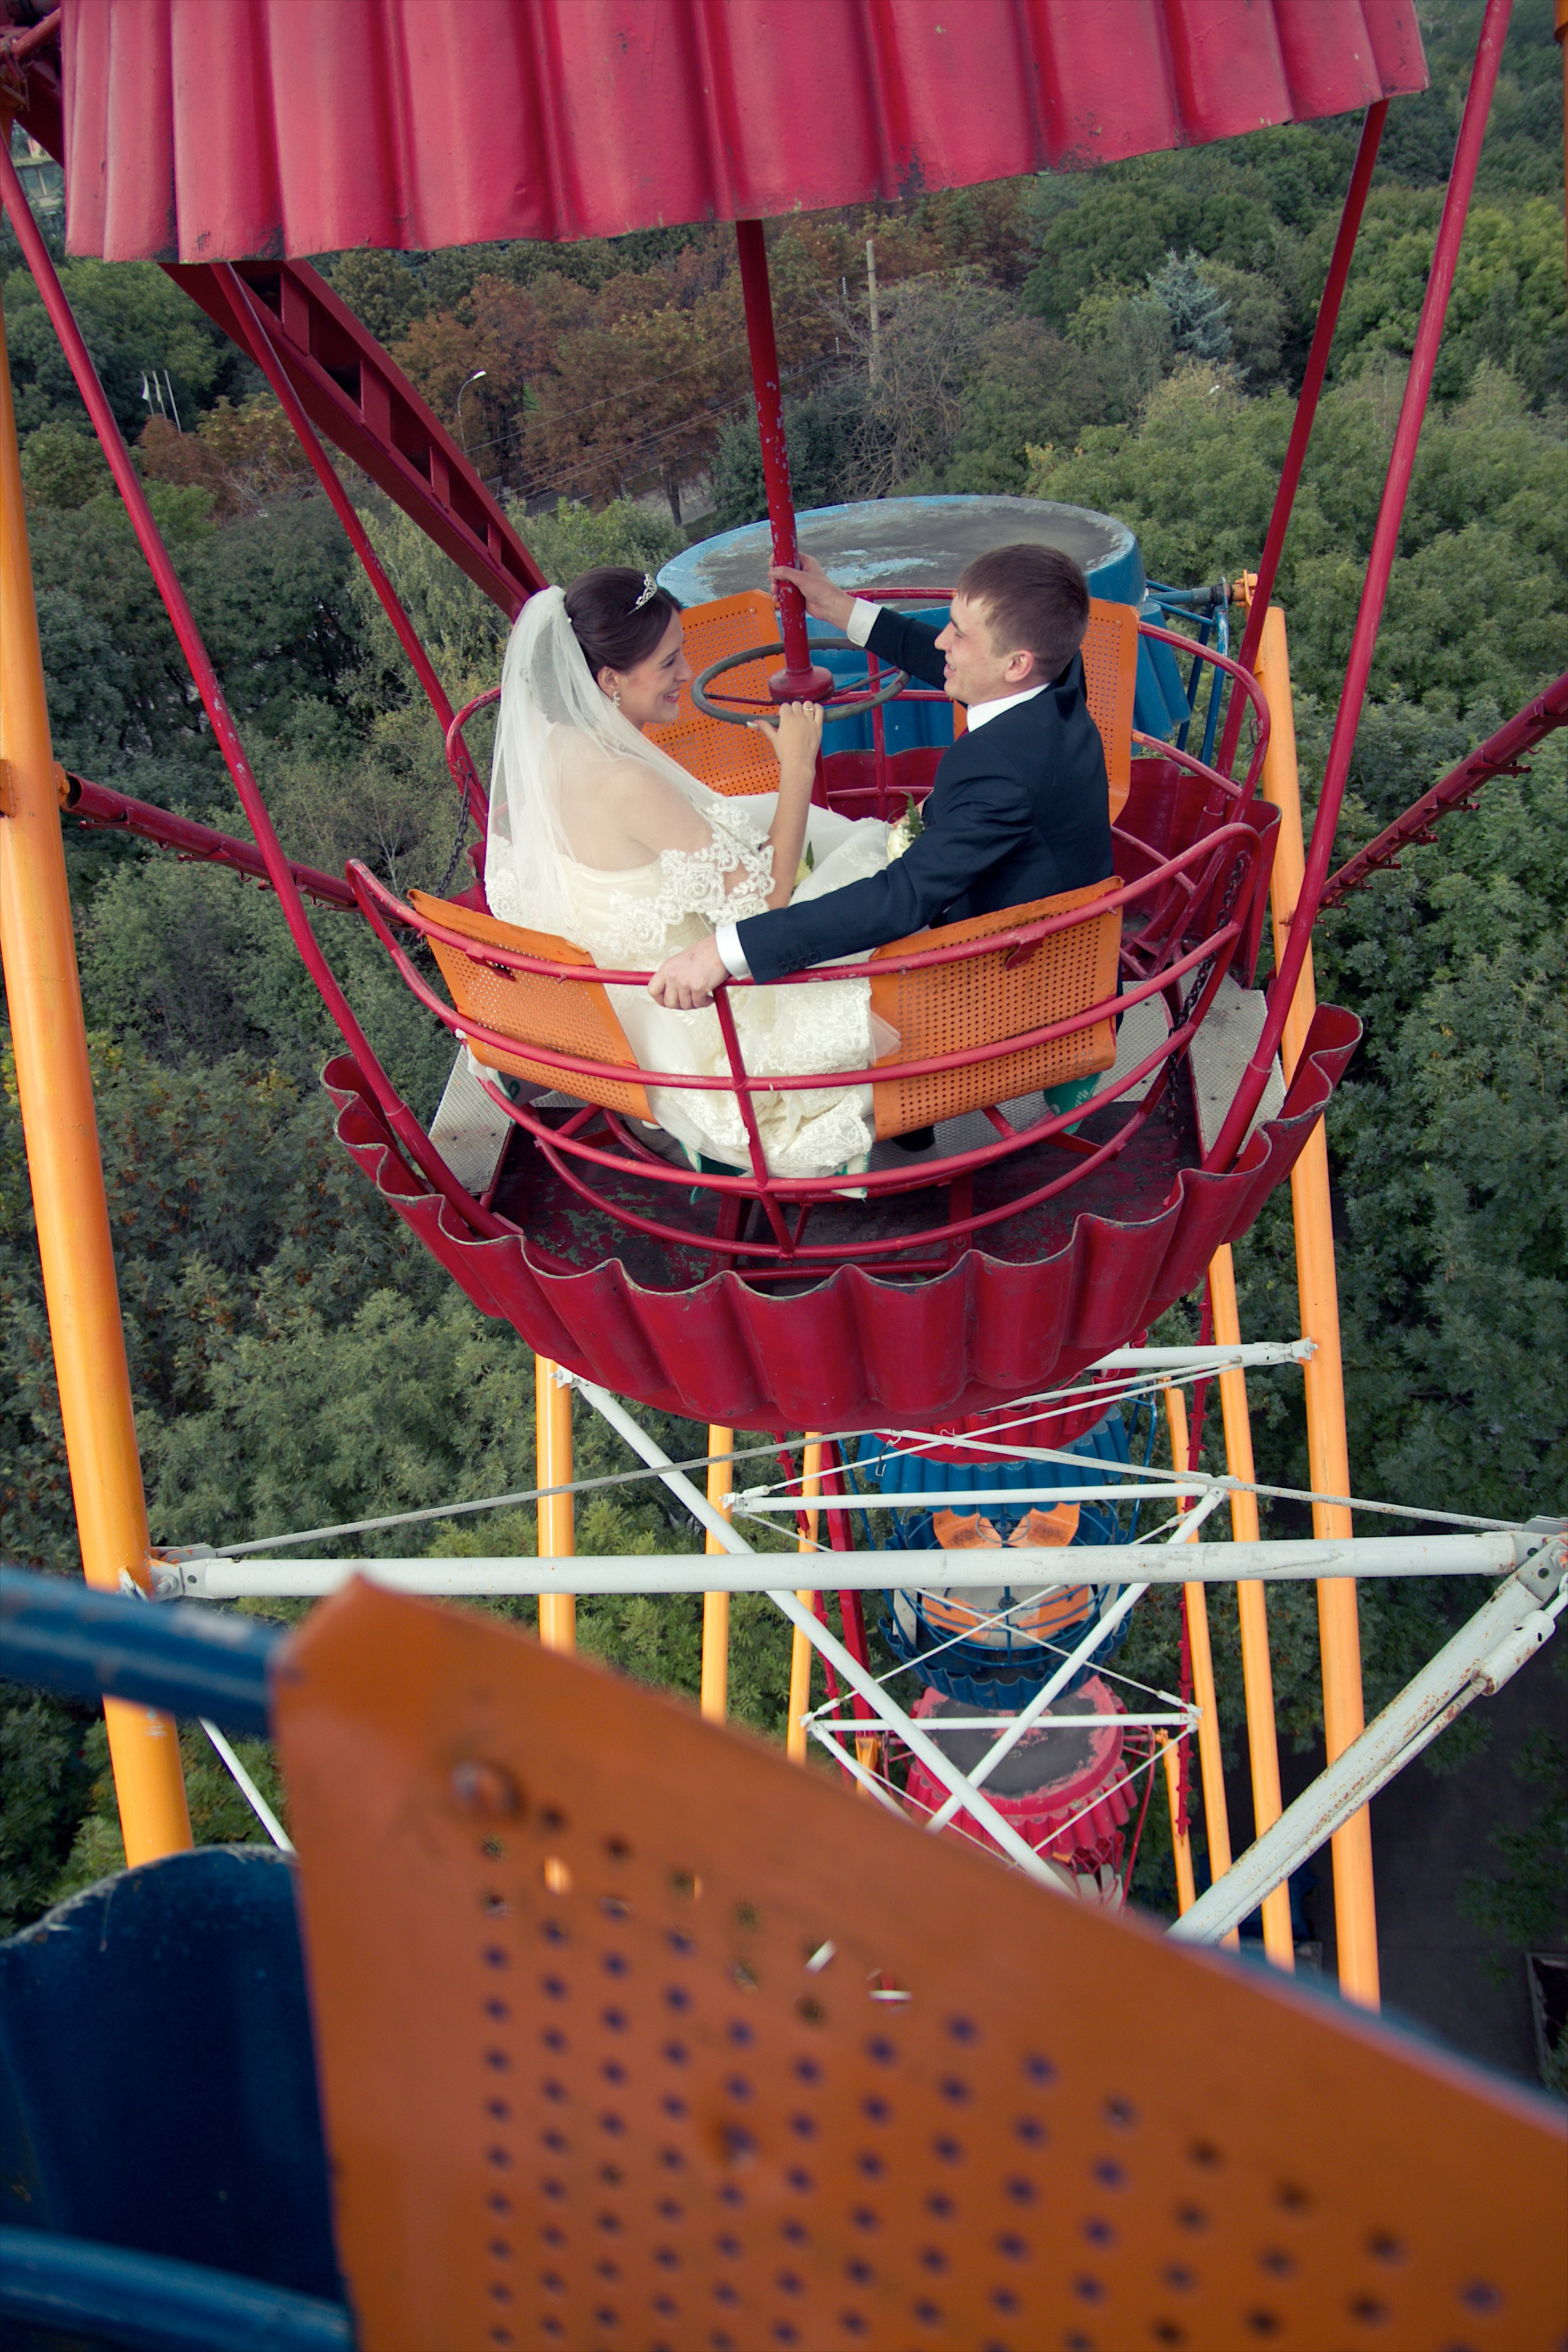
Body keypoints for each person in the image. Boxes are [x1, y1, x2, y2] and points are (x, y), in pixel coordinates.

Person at [482, 567, 891, 1178]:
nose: (687, 673)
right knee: (872, 866)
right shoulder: (627, 783)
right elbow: (766, 911)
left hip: (617, 1015)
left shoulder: (551, 749)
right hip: (703, 1028)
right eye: (670, 661)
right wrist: (798, 765)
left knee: (802, 830)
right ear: (609, 680)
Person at [650, 543, 1114, 1013]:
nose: (942, 642)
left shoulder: (1004, 774)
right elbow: (955, 661)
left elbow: (903, 898)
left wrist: (728, 950)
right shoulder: (1056, 677)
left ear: (1016, 664)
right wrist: (838, 607)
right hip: (1054, 930)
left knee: (809, 1003)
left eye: (959, 635)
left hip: (1025, 986)